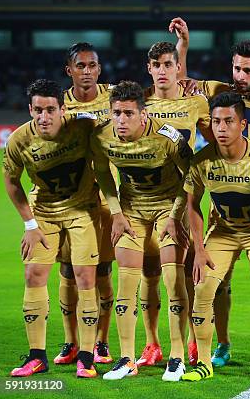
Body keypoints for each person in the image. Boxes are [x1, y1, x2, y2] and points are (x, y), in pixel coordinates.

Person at [172, 17, 250, 365]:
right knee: (219, 279)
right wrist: (184, 46)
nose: (240, 76)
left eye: (247, 71)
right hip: (221, 195)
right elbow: (184, 83)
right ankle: (222, 342)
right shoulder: (219, 94)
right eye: (236, 69)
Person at [181, 92, 250, 385]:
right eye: (216, 121)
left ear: (242, 124)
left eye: (229, 121)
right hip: (224, 231)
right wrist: (199, 249)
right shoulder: (202, 159)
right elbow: (192, 204)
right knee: (203, 286)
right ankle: (203, 362)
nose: (221, 128)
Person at [91, 81, 192, 381]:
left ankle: (177, 356)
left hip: (168, 207)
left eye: (128, 114)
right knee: (126, 284)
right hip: (131, 211)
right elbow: (101, 173)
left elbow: (191, 178)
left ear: (143, 115)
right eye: (116, 113)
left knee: (173, 281)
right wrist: (116, 212)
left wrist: (176, 215)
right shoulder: (101, 136)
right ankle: (126, 359)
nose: (121, 120)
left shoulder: (168, 137)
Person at [6, 79, 103, 378]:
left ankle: (86, 357)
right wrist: (30, 224)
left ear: (63, 109)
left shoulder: (83, 126)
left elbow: (113, 126)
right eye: (38, 110)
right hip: (44, 211)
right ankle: (37, 356)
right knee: (33, 273)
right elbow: (12, 182)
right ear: (30, 110)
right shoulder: (19, 140)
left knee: (85, 278)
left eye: (50, 110)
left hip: (81, 209)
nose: (44, 117)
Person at [140, 40, 210, 368]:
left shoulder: (195, 102)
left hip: (184, 202)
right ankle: (152, 343)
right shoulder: (139, 104)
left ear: (177, 67)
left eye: (170, 64)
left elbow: (217, 142)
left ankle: (192, 342)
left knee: (187, 272)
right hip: (146, 201)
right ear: (150, 68)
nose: (164, 70)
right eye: (158, 65)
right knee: (148, 272)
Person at [52, 42, 115, 366]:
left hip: (105, 199)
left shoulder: (115, 96)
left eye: (92, 65)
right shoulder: (57, 105)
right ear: (70, 70)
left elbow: (164, 87)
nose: (87, 71)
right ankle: (71, 341)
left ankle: (101, 342)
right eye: (81, 66)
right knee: (68, 272)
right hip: (71, 201)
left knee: (101, 272)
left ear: (99, 69)